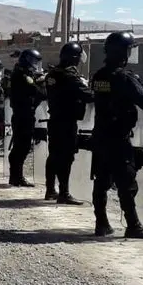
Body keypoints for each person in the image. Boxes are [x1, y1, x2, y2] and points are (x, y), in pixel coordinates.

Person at [90, 32, 143, 239]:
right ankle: (133, 225)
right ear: (123, 52)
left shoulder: (99, 75)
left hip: (100, 135)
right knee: (127, 184)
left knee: (101, 182)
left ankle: (101, 223)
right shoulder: (123, 77)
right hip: (118, 138)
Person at [44, 42, 94, 204]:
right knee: (66, 157)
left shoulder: (52, 74)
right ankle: (64, 193)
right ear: (74, 58)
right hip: (67, 122)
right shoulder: (69, 76)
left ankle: (50, 189)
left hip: (55, 120)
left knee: (53, 156)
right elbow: (88, 95)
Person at [8, 49, 46, 187]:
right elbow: (39, 92)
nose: (35, 65)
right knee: (21, 147)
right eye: (34, 62)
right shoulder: (23, 75)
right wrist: (41, 82)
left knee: (21, 146)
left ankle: (16, 176)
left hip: (22, 114)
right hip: (23, 115)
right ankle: (16, 177)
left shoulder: (21, 73)